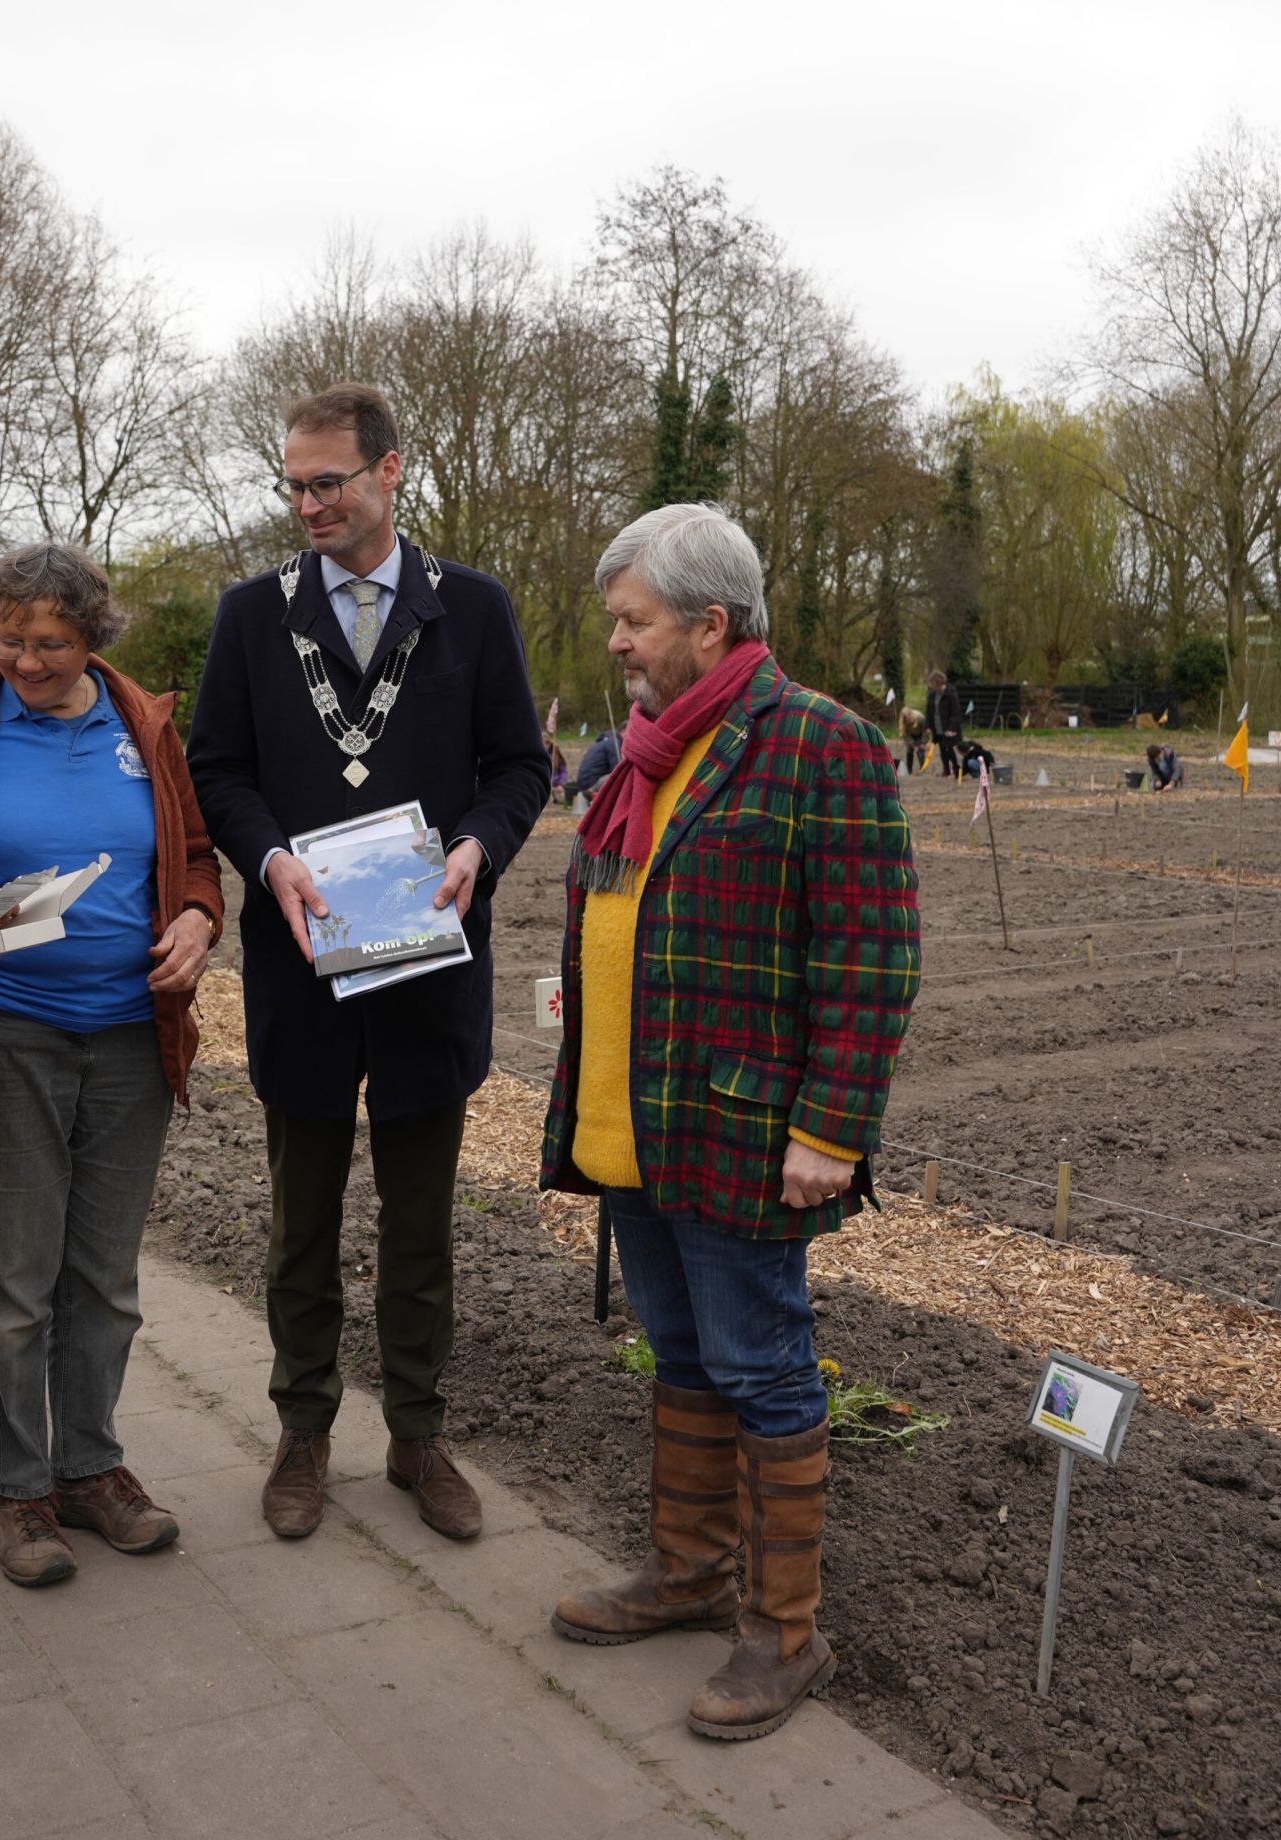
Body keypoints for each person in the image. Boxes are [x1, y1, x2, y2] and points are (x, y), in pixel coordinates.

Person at [541, 503, 920, 1741]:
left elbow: (870, 957)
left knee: (762, 1362)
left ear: (711, 625)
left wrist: (832, 1125)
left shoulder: (820, 746)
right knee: (683, 1353)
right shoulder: (644, 751)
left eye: (634, 621)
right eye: (615, 621)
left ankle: (782, 1629)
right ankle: (687, 1573)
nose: (617, 643)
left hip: (748, 1129)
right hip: (635, 1120)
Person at [187, 384, 549, 1543]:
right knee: (298, 1218)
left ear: (392, 472)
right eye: (291, 483)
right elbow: (218, 769)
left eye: (326, 482)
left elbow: (518, 765)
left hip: (428, 962)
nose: (305, 504)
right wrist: (269, 858)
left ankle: (418, 1435)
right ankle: (301, 1431)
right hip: (299, 966)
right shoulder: (253, 617)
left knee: (420, 1222)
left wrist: (478, 844)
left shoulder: (473, 612)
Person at [0, 541, 224, 1589]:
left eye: (51, 643)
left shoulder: (145, 725)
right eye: (10, 639)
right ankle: (20, 1489)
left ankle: (91, 1468)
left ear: (92, 635)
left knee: (105, 1281)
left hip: (128, 1037)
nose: (27, 660)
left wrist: (202, 916)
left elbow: (194, 855)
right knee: (17, 1286)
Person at [926, 669, 963, 776]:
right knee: (942, 749)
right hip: (937, 727)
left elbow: (955, 713)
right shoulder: (932, 696)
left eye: (932, 683)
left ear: (937, 682)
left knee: (949, 748)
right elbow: (929, 712)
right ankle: (946, 770)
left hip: (948, 727)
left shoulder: (951, 694)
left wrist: (951, 728)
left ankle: (956, 768)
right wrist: (928, 726)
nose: (930, 685)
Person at [575, 722, 623, 796]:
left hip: (583, 784)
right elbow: (618, 769)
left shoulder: (602, 742)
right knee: (624, 777)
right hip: (592, 785)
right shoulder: (614, 743)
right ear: (624, 731)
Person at [898, 705, 927, 775]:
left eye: (910, 718)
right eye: (907, 719)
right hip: (910, 736)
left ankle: (922, 769)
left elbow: (925, 731)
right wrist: (913, 745)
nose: (909, 720)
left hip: (920, 734)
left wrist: (923, 742)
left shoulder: (920, 717)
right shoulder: (903, 723)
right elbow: (905, 735)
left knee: (920, 751)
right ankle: (909, 770)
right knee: (909, 751)